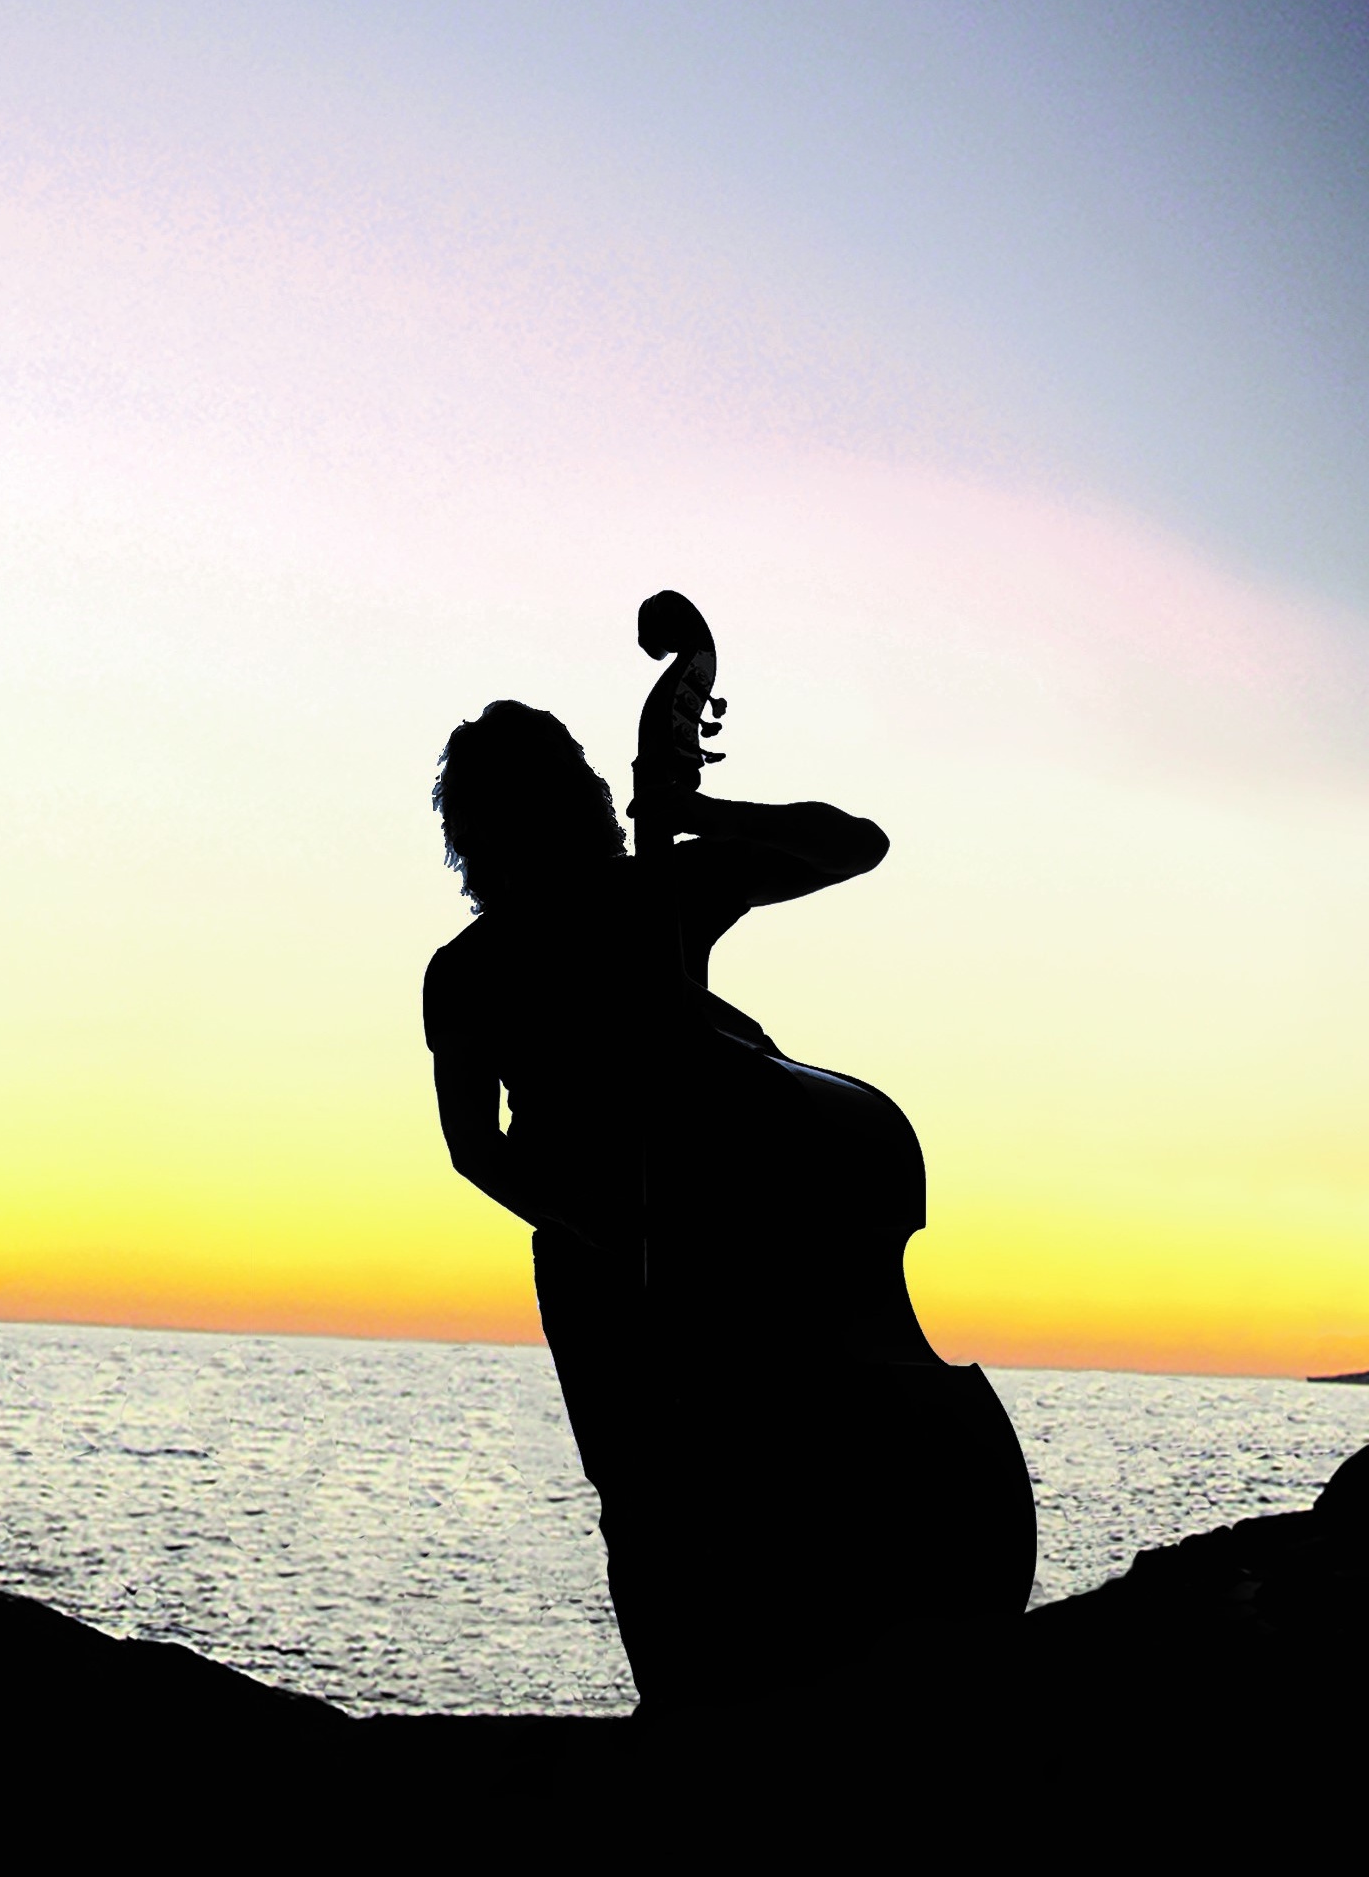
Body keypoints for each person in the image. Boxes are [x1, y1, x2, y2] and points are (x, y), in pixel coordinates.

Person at [421, 699, 1030, 1710]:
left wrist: (696, 810)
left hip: (677, 1251)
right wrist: (592, 1225)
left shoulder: (649, 894)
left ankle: (726, 1707)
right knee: (646, 1502)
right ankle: (689, 1710)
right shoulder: (489, 963)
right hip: (600, 1270)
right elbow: (473, 1150)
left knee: (671, 1504)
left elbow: (854, 844)